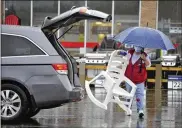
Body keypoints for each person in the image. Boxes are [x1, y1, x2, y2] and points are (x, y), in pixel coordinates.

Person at [118, 46, 151, 118]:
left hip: (140, 80)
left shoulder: (144, 55)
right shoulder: (129, 53)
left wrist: (144, 59)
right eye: (136, 45)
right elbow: (124, 62)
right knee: (128, 94)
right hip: (129, 79)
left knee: (140, 95)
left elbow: (148, 65)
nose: (137, 47)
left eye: (139, 46)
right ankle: (127, 108)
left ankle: (140, 110)